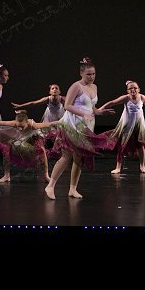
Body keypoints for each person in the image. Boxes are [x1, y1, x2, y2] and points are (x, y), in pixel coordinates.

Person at [44, 57, 114, 199]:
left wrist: (100, 112)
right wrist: (84, 114)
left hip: (86, 125)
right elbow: (67, 105)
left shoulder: (94, 87)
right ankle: (50, 186)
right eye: (88, 74)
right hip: (72, 123)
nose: (91, 77)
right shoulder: (76, 86)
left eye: (93, 74)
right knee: (66, 156)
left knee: (79, 157)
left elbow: (91, 107)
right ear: (81, 73)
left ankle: (73, 189)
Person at [97, 80, 145, 174]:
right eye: (130, 88)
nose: (133, 90)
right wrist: (100, 109)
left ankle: (142, 166)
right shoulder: (126, 98)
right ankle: (118, 167)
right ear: (127, 90)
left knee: (141, 145)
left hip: (139, 125)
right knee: (122, 145)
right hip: (127, 125)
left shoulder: (142, 97)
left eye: (135, 88)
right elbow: (112, 102)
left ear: (139, 89)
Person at [0, 110, 59, 183]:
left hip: (33, 137)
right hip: (20, 137)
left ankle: (46, 176)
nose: (20, 128)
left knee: (42, 150)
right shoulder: (14, 123)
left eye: (22, 127)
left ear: (27, 123)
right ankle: (6, 175)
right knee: (7, 149)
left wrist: (60, 122)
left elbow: (49, 124)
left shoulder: (33, 125)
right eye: (18, 126)